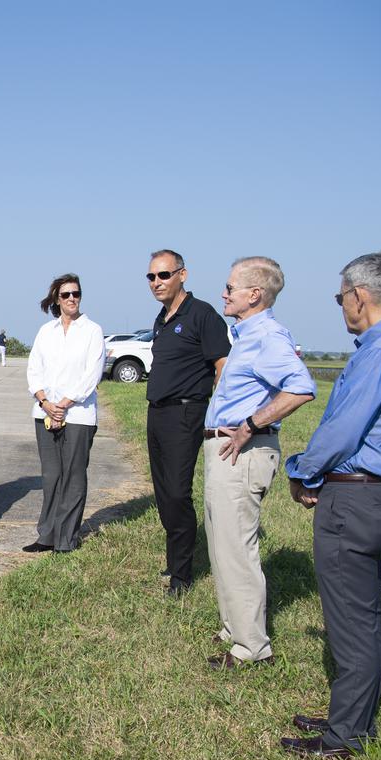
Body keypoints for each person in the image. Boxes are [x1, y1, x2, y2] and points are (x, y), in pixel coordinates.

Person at [280, 250, 381, 760]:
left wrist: (302, 469)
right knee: (362, 616)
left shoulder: (380, 352)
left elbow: (343, 430)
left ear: (359, 296)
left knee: (352, 623)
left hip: (355, 496)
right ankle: (349, 717)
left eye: (340, 295)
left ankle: (344, 739)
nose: (340, 303)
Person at [201, 258, 314, 670]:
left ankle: (252, 649)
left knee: (237, 550)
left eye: (230, 287)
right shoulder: (245, 335)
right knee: (222, 545)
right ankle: (235, 629)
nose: (224, 294)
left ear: (255, 294)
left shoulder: (267, 335)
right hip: (224, 450)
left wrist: (250, 424)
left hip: (242, 452)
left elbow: (300, 388)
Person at [144, 249, 231, 595]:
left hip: (186, 413)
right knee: (164, 493)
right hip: (157, 413)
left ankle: (183, 575)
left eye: (163, 275)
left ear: (182, 274)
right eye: (151, 277)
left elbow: (222, 366)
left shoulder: (202, 315)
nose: (156, 283)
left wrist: (219, 413)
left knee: (179, 492)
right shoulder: (162, 317)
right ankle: (175, 559)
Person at [23, 275, 105, 554]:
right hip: (44, 411)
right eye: (66, 294)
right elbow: (34, 370)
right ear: (57, 300)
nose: (72, 298)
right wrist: (46, 402)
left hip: (79, 414)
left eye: (76, 293)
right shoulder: (46, 331)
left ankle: (66, 539)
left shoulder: (92, 331)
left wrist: (64, 404)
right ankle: (46, 535)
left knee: (73, 476)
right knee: (51, 476)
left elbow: (92, 375)